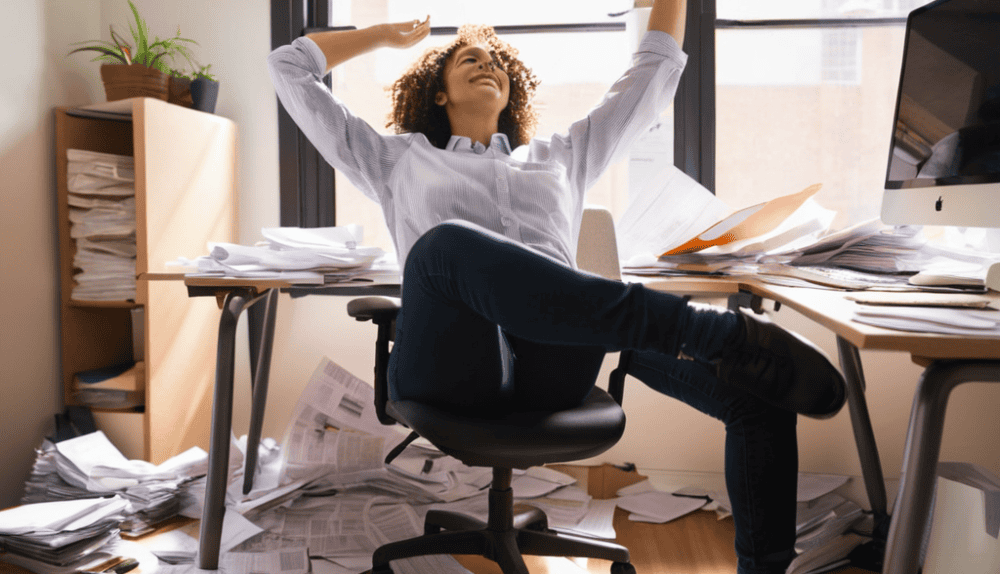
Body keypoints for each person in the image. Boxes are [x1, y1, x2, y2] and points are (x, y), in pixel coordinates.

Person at [268, 2, 847, 573]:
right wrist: (381, 35)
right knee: (445, 245)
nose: (485, 62)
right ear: (438, 92)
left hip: (551, 361)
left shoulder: (563, 158)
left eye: (496, 60)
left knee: (758, 391)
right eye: (467, 58)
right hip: (449, 365)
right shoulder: (398, 160)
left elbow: (652, 73)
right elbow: (289, 69)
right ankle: (703, 329)